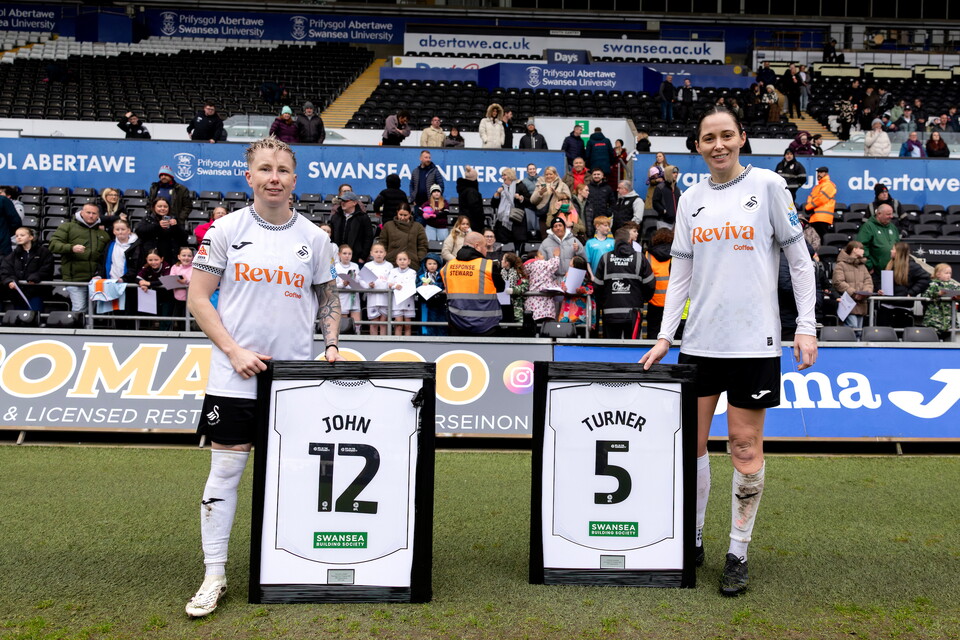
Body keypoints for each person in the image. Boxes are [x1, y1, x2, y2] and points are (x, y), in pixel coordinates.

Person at [639, 106, 817, 597]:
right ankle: (692, 538)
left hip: (754, 345)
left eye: (726, 135)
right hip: (700, 344)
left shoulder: (769, 186)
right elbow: (680, 274)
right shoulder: (691, 199)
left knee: (743, 446)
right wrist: (665, 336)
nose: (717, 145)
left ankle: (737, 551)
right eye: (708, 138)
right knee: (691, 446)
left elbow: (800, 262)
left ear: (742, 138)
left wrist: (806, 327)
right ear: (697, 145)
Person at [184, 138, 341, 618]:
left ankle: (291, 564)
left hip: (292, 380)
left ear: (295, 179)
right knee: (225, 473)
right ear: (249, 175)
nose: (275, 177)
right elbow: (197, 297)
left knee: (296, 474)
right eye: (266, 169)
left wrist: (332, 345)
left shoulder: (315, 238)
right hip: (234, 376)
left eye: (283, 170)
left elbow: (329, 300)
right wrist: (234, 351)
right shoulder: (226, 229)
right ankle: (214, 574)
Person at [593, 227, 655, 339]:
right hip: (634, 313)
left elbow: (597, 286)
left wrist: (604, 303)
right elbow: (650, 284)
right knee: (631, 347)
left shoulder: (605, 258)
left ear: (615, 241)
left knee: (611, 346)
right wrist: (642, 299)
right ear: (630, 240)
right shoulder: (639, 258)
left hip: (610, 313)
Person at [48, 203, 110, 312]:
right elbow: (53, 245)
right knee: (79, 309)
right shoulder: (67, 227)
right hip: (74, 279)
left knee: (94, 312)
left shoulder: (103, 234)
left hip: (96, 281)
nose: (91, 216)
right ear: (81, 213)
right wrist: (71, 248)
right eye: (88, 212)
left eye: (94, 213)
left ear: (98, 215)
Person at [442, 231, 504, 336]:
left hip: (457, 324)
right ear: (477, 246)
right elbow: (501, 287)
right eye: (485, 247)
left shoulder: (447, 267)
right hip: (487, 325)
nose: (486, 250)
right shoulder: (488, 266)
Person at [878, 241, 930, 327]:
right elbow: (880, 281)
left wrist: (911, 292)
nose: (891, 251)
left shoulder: (912, 266)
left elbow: (925, 279)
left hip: (903, 308)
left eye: (893, 249)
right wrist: (880, 289)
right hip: (886, 306)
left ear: (899, 252)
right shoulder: (889, 265)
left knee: (900, 333)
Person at [1, 227, 53, 311]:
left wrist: (36, 277)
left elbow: (47, 268)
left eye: (22, 235)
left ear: (31, 237)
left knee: (34, 315)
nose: (19, 237)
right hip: (18, 294)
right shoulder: (13, 255)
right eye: (17, 236)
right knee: (19, 316)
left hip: (36, 292)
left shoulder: (43, 252)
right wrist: (10, 280)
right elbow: (6, 270)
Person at [832, 240, 873, 331]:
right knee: (853, 328)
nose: (864, 251)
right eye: (862, 249)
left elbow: (868, 281)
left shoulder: (862, 266)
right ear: (855, 249)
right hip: (848, 304)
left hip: (861, 303)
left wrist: (865, 293)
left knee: (859, 331)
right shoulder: (841, 265)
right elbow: (838, 282)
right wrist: (854, 293)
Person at [135, 198, 188, 265]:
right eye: (159, 206)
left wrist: (176, 226)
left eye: (165, 207)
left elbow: (184, 237)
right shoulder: (148, 219)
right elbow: (139, 231)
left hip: (170, 256)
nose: (162, 208)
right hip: (152, 256)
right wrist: (157, 225)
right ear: (154, 207)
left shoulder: (174, 219)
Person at [329, 191, 374, 267]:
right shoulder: (336, 217)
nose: (343, 203)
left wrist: (363, 257)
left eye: (346, 201)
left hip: (356, 259)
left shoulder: (363, 218)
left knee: (353, 275)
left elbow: (368, 238)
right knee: (335, 274)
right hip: (336, 258)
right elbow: (331, 237)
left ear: (354, 203)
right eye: (342, 201)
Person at [379, 203, 428, 270]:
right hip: (391, 263)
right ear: (397, 213)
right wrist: (386, 257)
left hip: (412, 264)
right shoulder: (388, 225)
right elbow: (382, 243)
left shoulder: (418, 226)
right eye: (400, 215)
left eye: (405, 215)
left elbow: (423, 245)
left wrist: (418, 259)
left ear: (410, 214)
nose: (402, 217)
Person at [644, 228, 673, 339]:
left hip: (653, 299)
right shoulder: (675, 254)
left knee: (653, 330)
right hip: (671, 299)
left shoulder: (648, 255)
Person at [524, 247, 561, 331]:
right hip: (542, 303)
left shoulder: (527, 267)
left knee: (534, 326)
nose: (543, 256)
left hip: (531, 301)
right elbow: (553, 265)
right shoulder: (538, 264)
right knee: (544, 327)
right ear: (536, 258)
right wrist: (556, 256)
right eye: (540, 254)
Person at [491, 169, 530, 247]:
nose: (502, 177)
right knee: (503, 243)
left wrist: (520, 198)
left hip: (516, 220)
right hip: (503, 221)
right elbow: (494, 205)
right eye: (502, 175)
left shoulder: (520, 186)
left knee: (517, 243)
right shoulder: (502, 188)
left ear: (510, 176)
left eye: (504, 175)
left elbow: (529, 201)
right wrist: (497, 194)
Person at [137, 248, 173, 329]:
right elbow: (138, 277)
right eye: (150, 260)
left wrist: (149, 283)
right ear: (146, 259)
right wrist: (142, 283)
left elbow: (165, 280)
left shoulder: (167, 266)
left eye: (156, 260)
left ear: (161, 259)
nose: (153, 262)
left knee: (165, 318)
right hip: (154, 297)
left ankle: (165, 334)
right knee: (157, 317)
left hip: (167, 297)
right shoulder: (146, 267)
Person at [921, 263, 957, 338]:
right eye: (946, 273)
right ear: (938, 274)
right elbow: (925, 296)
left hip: (949, 319)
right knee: (933, 337)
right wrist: (938, 294)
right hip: (935, 318)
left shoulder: (954, 285)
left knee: (949, 339)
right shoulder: (933, 284)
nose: (948, 275)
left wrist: (957, 297)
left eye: (950, 273)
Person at [334, 244, 362, 334]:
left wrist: (355, 279)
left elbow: (360, 282)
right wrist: (343, 284)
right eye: (344, 253)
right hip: (341, 298)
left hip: (354, 297)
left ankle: (357, 338)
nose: (347, 256)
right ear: (339, 254)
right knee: (343, 324)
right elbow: (332, 285)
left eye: (349, 254)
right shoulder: (333, 267)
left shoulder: (355, 266)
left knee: (357, 323)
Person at [417, 252, 446, 336]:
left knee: (439, 322)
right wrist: (421, 284)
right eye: (429, 264)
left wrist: (435, 285)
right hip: (425, 304)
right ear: (425, 265)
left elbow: (444, 285)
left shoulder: (441, 275)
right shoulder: (421, 275)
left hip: (439, 303)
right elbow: (416, 285)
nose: (432, 266)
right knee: (426, 323)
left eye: (434, 263)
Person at [387, 251, 416, 336]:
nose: (402, 261)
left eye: (404, 259)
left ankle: (408, 342)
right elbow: (389, 283)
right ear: (396, 261)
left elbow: (412, 285)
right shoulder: (393, 271)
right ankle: (397, 342)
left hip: (408, 301)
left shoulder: (412, 272)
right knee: (398, 325)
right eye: (400, 259)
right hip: (397, 302)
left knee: (407, 326)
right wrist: (395, 286)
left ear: (409, 261)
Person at [804, 166, 836, 241]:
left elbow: (821, 199)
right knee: (815, 240)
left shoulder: (828, 184)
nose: (819, 174)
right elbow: (811, 199)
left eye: (821, 172)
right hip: (815, 217)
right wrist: (809, 207)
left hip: (823, 217)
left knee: (821, 239)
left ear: (826, 173)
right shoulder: (817, 187)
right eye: (818, 172)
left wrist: (808, 207)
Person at [500, 252, 529, 334]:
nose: (501, 261)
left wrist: (513, 290)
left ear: (507, 263)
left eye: (503, 260)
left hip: (516, 304)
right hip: (503, 304)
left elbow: (525, 286)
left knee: (517, 328)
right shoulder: (501, 272)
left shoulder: (519, 272)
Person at [456, 166, 485, 235]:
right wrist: (481, 218)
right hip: (473, 223)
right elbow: (475, 208)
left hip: (465, 220)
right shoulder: (472, 191)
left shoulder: (463, 189)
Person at [169, 246, 194, 325]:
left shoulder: (194, 268)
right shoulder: (175, 267)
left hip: (191, 299)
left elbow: (196, 281)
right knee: (179, 321)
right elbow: (171, 279)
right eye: (184, 255)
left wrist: (186, 281)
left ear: (193, 257)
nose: (186, 258)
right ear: (179, 257)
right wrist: (180, 281)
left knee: (189, 321)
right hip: (178, 299)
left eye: (189, 256)